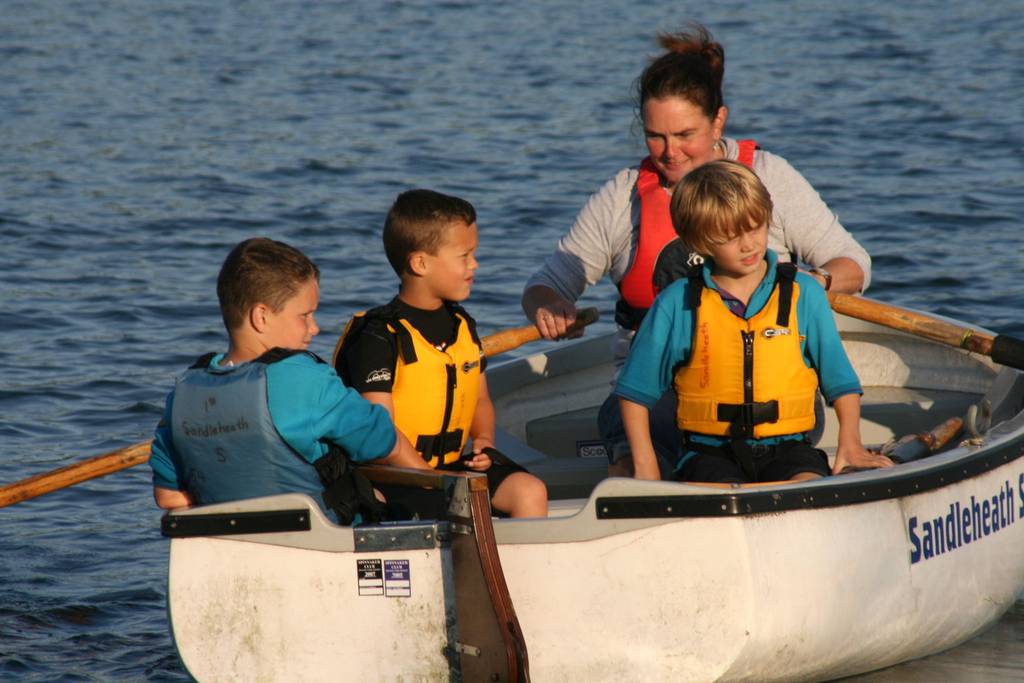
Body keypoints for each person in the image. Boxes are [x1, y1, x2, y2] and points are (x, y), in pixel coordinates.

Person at [521, 23, 872, 478]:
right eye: (655, 136)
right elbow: (545, 285)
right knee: (634, 470)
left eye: (685, 134)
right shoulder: (622, 196)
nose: (670, 153)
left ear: (718, 122)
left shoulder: (768, 178)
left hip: (768, 398)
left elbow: (854, 265)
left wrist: (813, 285)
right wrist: (549, 306)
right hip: (659, 397)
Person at [616, 160, 893, 482]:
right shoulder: (677, 302)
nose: (748, 245)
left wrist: (851, 443)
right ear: (701, 241)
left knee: (806, 488)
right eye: (729, 237)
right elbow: (635, 392)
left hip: (791, 450)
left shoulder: (803, 294)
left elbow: (840, 381)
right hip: (708, 453)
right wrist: (645, 464)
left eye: (754, 227)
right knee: (711, 494)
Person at [150, 237, 420, 525]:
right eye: (305, 315)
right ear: (261, 317)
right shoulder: (306, 379)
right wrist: (433, 484)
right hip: (321, 543)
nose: (314, 328)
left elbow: (168, 497)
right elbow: (385, 443)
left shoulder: (184, 393)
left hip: (230, 545)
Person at [334, 189, 548, 518]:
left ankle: (523, 569)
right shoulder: (376, 337)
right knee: (461, 507)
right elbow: (382, 432)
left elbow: (479, 401)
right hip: (394, 476)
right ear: (420, 263)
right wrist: (436, 479)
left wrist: (484, 441)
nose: (474, 264)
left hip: (449, 470)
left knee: (530, 491)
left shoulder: (462, 325)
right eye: (464, 256)